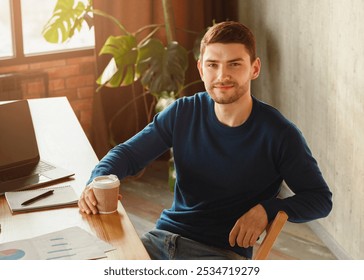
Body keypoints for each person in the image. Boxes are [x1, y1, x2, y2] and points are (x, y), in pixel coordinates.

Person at [78, 21, 332, 260]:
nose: (222, 75)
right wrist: (96, 181)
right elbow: (128, 154)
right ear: (201, 69)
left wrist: (268, 209)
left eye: (234, 64)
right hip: (161, 240)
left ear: (254, 68)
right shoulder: (183, 112)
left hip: (220, 255)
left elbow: (319, 198)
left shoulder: (279, 133)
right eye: (213, 65)